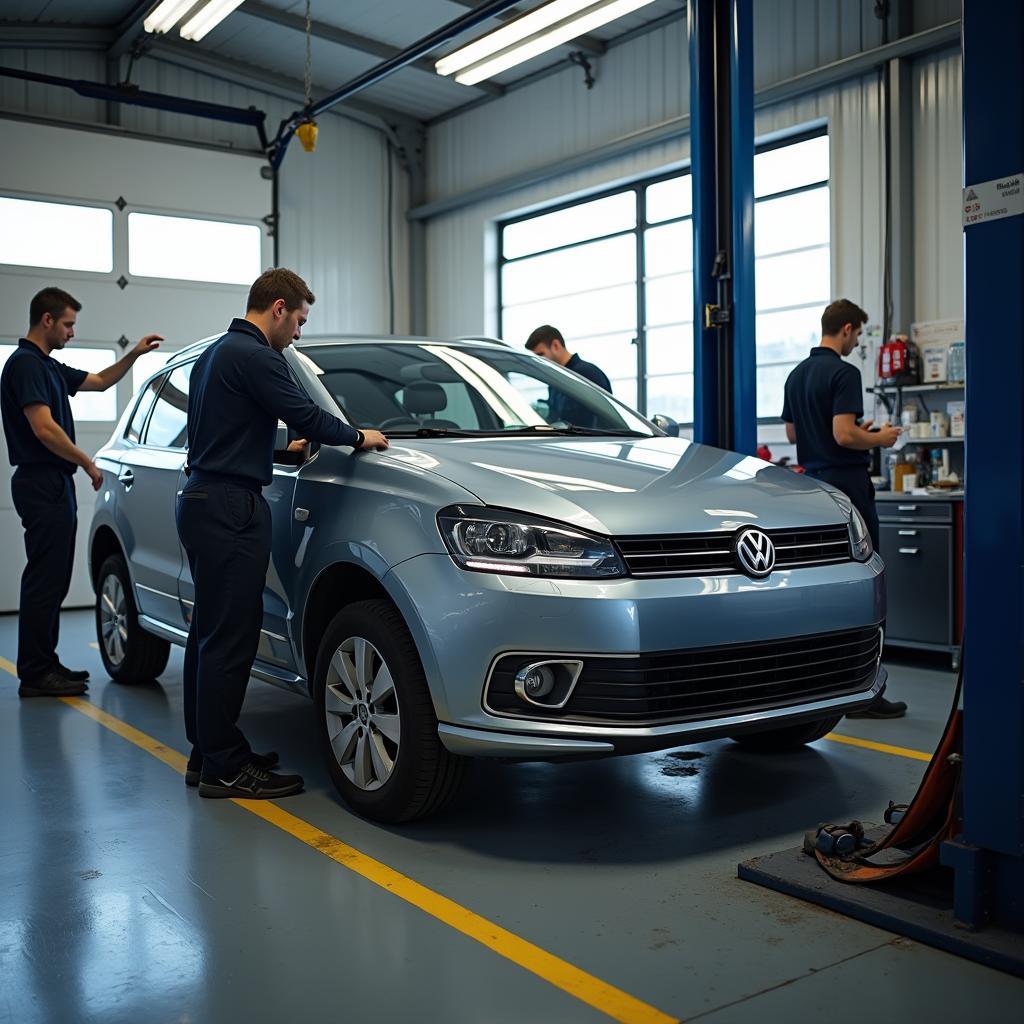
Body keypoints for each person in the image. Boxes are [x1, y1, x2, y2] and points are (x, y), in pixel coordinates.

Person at [177, 268, 388, 801]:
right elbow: (305, 414)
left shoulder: (214, 356)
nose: (298, 333)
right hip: (230, 507)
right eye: (298, 320)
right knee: (231, 638)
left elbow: (220, 434)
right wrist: (359, 434)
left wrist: (275, 452)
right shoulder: (256, 355)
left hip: (204, 497)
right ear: (276, 307)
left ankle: (208, 753)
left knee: (210, 634)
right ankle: (226, 766)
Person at [1, 287, 162, 698]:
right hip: (40, 481)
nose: (73, 332)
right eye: (69, 324)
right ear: (47, 320)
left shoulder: (49, 367)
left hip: (53, 482)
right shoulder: (25, 366)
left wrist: (135, 355)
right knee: (44, 578)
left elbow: (102, 381)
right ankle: (36, 673)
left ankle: (45, 661)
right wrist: (86, 462)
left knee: (53, 578)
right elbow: (43, 427)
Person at [782, 298, 906, 720]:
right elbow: (843, 435)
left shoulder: (797, 374)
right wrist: (880, 438)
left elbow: (793, 431)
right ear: (849, 329)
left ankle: (820, 683)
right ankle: (865, 690)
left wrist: (853, 432)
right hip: (848, 486)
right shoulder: (844, 372)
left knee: (821, 589)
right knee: (866, 582)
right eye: (857, 335)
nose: (856, 342)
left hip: (812, 486)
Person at [525, 325, 612, 427]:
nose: (538, 361)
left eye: (541, 354)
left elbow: (604, 419)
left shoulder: (587, 374)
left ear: (556, 345)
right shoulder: (555, 379)